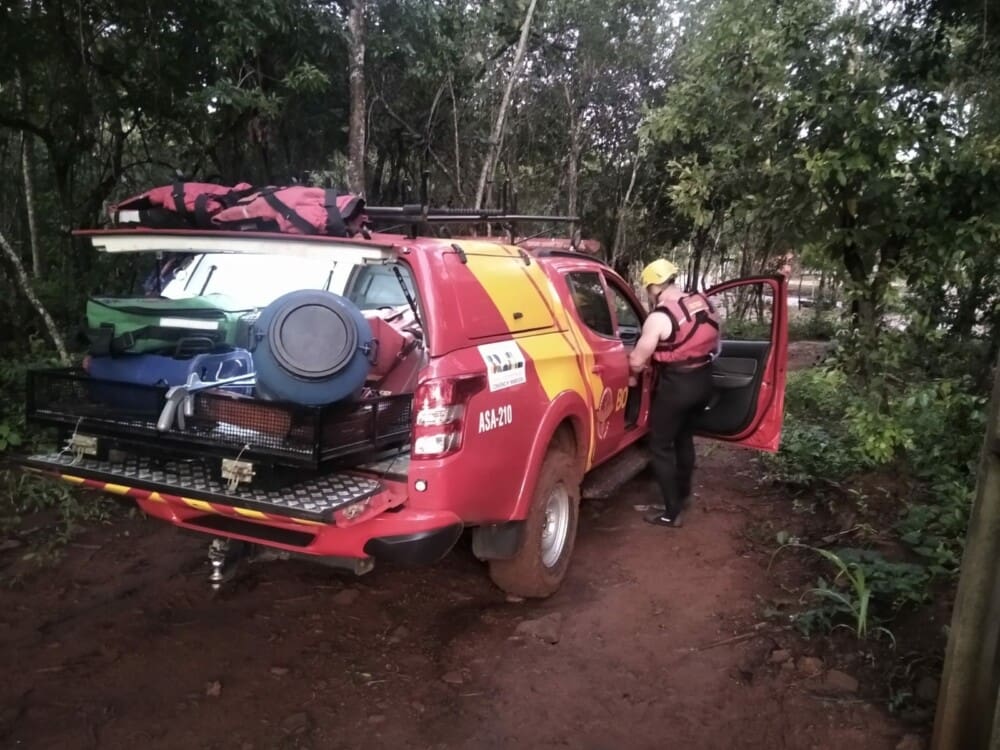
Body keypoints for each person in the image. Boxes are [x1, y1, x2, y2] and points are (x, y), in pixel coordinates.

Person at [628, 259, 721, 528]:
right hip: (704, 380)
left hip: (677, 387)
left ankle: (671, 513)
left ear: (654, 286)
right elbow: (715, 336)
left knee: (660, 446)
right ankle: (683, 495)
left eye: (648, 287)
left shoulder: (659, 317)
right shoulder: (702, 303)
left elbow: (637, 361)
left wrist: (632, 374)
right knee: (683, 438)